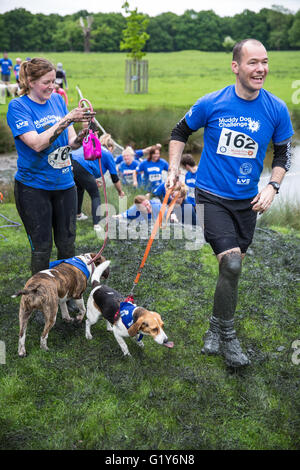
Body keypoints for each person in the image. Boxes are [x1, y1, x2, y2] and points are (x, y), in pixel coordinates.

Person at [166, 39, 293, 368]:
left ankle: (213, 326)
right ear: (236, 66)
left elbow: (282, 155)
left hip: (248, 203)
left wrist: (273, 186)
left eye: (264, 62)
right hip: (210, 195)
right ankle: (229, 337)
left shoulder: (277, 109)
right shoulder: (213, 102)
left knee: (229, 271)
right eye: (253, 62)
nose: (260, 68)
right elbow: (180, 131)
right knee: (233, 264)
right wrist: (174, 169)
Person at [6, 57, 95, 276]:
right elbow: (36, 143)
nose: (52, 86)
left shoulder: (57, 100)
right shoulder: (18, 107)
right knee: (42, 248)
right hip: (33, 188)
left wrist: (82, 134)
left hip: (65, 185)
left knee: (67, 246)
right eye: (47, 82)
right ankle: (40, 297)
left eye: (54, 81)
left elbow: (71, 143)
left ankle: (66, 296)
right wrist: (67, 120)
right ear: (31, 81)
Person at [71, 143, 125, 231]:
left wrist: (92, 180)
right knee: (95, 195)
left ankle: (78, 215)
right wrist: (120, 191)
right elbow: (114, 178)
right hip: (81, 165)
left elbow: (87, 165)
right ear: (110, 147)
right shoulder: (108, 154)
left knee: (79, 188)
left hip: (71, 160)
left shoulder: (94, 146)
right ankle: (97, 224)